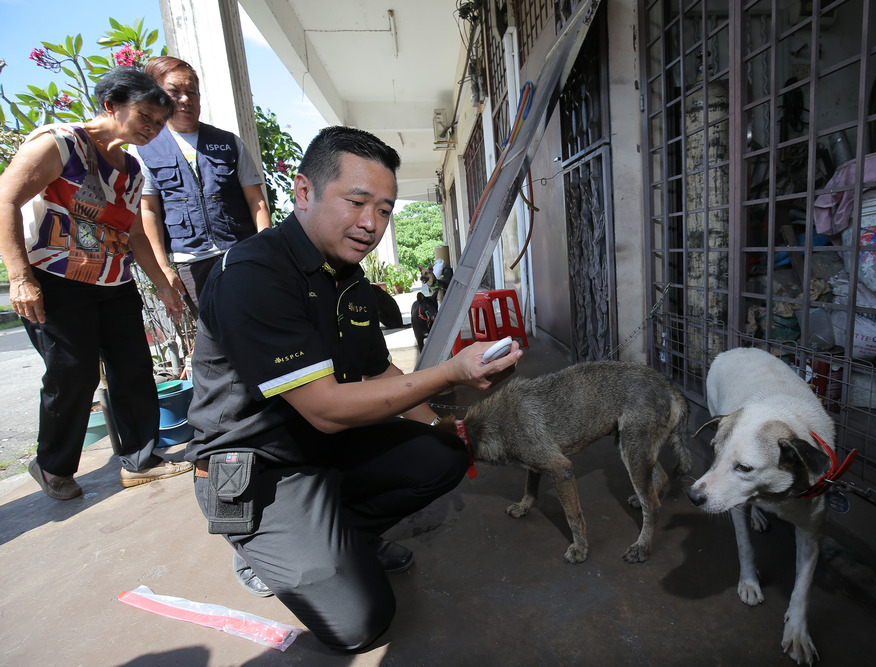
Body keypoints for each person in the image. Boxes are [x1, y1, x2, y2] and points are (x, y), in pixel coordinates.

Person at [185, 126, 522, 652]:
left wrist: (445, 425)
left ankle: (346, 539)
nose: (372, 224)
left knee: (444, 454)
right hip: (260, 468)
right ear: (303, 192)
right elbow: (325, 409)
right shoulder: (254, 273)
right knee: (361, 624)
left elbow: (379, 371)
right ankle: (260, 545)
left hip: (326, 449)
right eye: (357, 201)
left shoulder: (350, 281)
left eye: (385, 209)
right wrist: (453, 372)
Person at [0, 69, 194, 500]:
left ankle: (140, 460)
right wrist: (19, 277)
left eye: (159, 123)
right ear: (111, 105)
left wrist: (163, 285)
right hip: (55, 279)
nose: (151, 127)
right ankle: (52, 466)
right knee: (74, 372)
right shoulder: (59, 143)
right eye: (145, 115)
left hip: (112, 279)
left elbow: (137, 235)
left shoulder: (132, 170)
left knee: (133, 369)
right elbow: (5, 198)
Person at [133, 56, 271, 318]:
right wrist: (163, 267)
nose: (185, 99)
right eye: (174, 92)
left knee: (257, 325)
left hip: (240, 255)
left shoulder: (229, 142)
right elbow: (148, 210)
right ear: (157, 96)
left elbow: (257, 200)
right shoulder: (144, 149)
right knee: (215, 335)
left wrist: (266, 249)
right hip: (191, 263)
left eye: (191, 92)